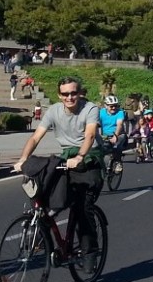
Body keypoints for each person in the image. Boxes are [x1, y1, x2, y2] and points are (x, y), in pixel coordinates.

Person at [13, 76, 102, 271]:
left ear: (79, 93)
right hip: (65, 160)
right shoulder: (53, 111)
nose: (69, 97)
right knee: (44, 196)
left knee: (82, 207)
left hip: (89, 160)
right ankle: (43, 237)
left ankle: (90, 252)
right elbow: (36, 137)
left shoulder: (90, 109)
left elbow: (90, 135)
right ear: (59, 95)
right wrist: (23, 159)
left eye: (73, 93)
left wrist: (79, 156)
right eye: (65, 94)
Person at [98, 95, 126, 165]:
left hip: (119, 134)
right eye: (111, 106)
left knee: (117, 146)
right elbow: (96, 124)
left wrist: (115, 136)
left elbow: (119, 124)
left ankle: (118, 163)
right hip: (105, 135)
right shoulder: (101, 112)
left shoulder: (120, 112)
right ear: (106, 106)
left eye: (116, 106)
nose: (114, 108)